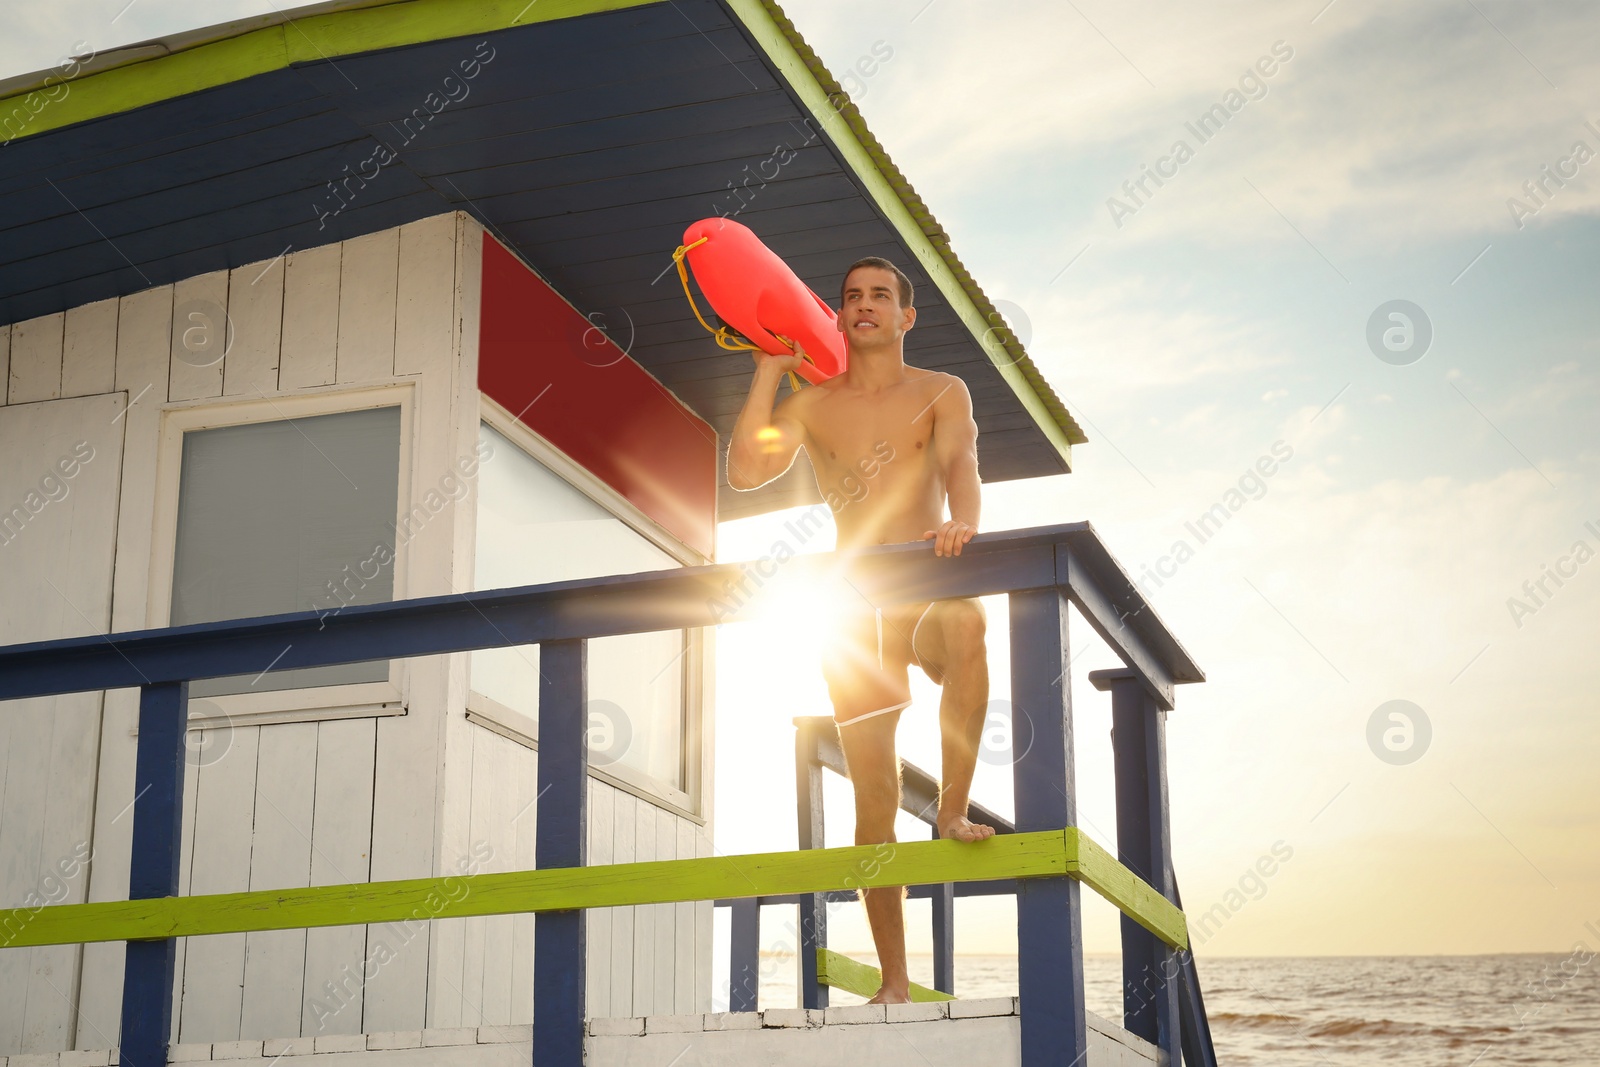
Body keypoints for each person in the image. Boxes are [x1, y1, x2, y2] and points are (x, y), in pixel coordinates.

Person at [726, 255, 995, 1004]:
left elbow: (961, 459)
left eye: (881, 295)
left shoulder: (943, 390)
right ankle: (895, 980)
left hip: (924, 578)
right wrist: (769, 371)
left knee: (969, 620)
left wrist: (965, 521)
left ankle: (950, 806)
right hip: (851, 602)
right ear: (839, 318)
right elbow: (746, 470)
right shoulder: (813, 404)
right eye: (852, 297)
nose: (865, 305)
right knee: (872, 801)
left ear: (907, 317)